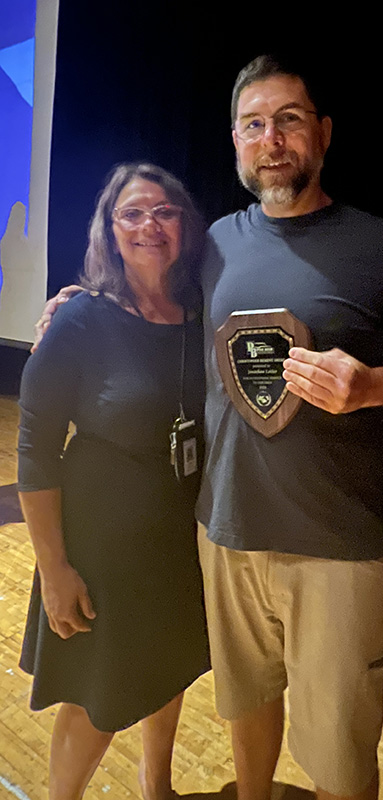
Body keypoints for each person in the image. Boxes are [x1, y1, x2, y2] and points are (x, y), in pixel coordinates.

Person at [36, 56, 383, 800]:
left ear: (323, 133)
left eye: (289, 120)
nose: (270, 139)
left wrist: (373, 386)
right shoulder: (212, 245)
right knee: (248, 716)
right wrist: (83, 298)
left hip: (335, 547)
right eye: (253, 125)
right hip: (225, 534)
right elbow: (149, 297)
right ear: (236, 142)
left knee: (341, 749)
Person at [18, 162, 210, 800]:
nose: (149, 225)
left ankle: (157, 784)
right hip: (99, 545)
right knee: (93, 695)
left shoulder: (201, 314)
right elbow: (36, 451)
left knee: (170, 665)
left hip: (181, 538)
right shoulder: (80, 320)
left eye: (163, 210)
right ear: (109, 228)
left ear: (184, 224)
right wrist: (53, 569)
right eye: (131, 212)